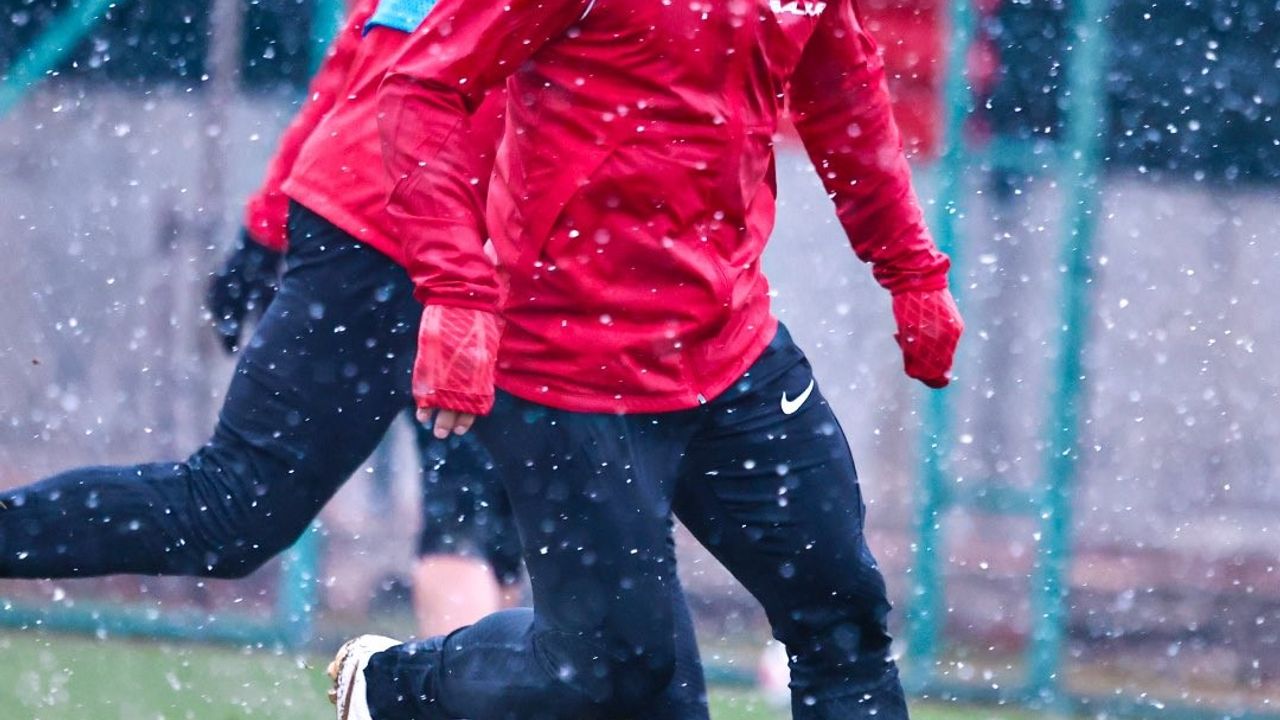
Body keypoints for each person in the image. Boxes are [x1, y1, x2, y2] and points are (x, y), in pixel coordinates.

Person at [0, 2, 707, 718]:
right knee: (247, 510)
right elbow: (377, 61)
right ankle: (396, 690)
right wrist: (267, 228)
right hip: (402, 236)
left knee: (570, 540)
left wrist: (265, 229)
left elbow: (354, 59)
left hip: (514, 262)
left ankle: (407, 691)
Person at [329, 1, 964, 720]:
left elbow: (843, 95)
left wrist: (913, 272)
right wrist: (457, 292)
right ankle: (394, 686)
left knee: (845, 622)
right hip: (567, 367)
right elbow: (422, 86)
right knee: (619, 673)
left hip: (735, 354)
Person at [208, 228, 523, 639]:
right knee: (473, 497)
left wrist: (259, 239)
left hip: (441, 265)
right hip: (476, 270)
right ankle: (478, 668)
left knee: (478, 501)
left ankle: (484, 667)